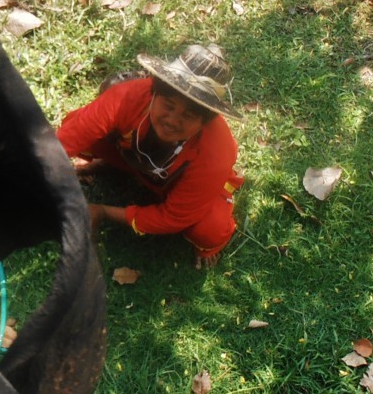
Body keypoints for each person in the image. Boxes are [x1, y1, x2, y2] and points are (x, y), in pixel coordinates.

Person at [56, 44, 244, 269]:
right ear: (153, 93)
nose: (173, 120)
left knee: (209, 231)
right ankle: (110, 164)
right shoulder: (127, 96)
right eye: (169, 105)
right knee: (80, 128)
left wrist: (103, 212)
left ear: (205, 121)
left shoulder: (216, 152)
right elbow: (66, 139)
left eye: (188, 115)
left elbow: (174, 217)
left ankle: (210, 241)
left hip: (183, 185)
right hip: (135, 157)